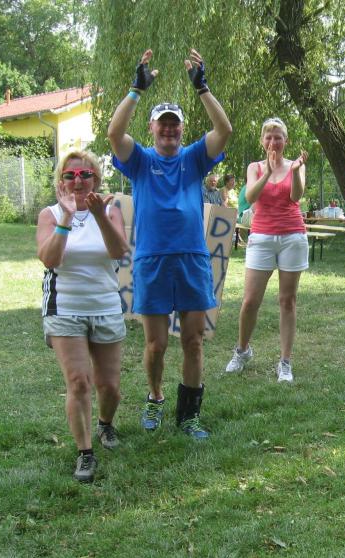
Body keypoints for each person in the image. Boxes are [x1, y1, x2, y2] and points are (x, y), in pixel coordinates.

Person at [107, 48, 232, 439]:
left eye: (174, 124)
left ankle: (189, 414)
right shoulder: (141, 161)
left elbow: (224, 130)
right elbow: (114, 134)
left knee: (193, 342)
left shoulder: (193, 158)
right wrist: (135, 90)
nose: (169, 130)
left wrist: (203, 89)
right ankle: (155, 397)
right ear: (151, 128)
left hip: (192, 259)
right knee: (156, 344)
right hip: (152, 260)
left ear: (181, 128)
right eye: (162, 124)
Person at [37, 151, 130, 482]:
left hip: (105, 305)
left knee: (110, 387)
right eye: (70, 175)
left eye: (85, 174)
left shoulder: (110, 210)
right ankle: (85, 452)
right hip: (65, 308)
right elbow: (49, 259)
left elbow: (119, 251)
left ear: (96, 179)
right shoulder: (50, 214)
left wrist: (99, 216)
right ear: (61, 181)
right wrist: (66, 218)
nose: (77, 181)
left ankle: (105, 424)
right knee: (78, 381)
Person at [225, 117, 308, 383]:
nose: (273, 142)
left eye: (278, 137)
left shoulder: (296, 165)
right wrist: (269, 173)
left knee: (287, 300)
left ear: (286, 141)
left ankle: (285, 362)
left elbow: (296, 197)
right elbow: (251, 196)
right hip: (261, 237)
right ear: (263, 141)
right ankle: (242, 351)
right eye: (269, 137)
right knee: (250, 301)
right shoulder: (255, 167)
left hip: (292, 236)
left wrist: (295, 171)